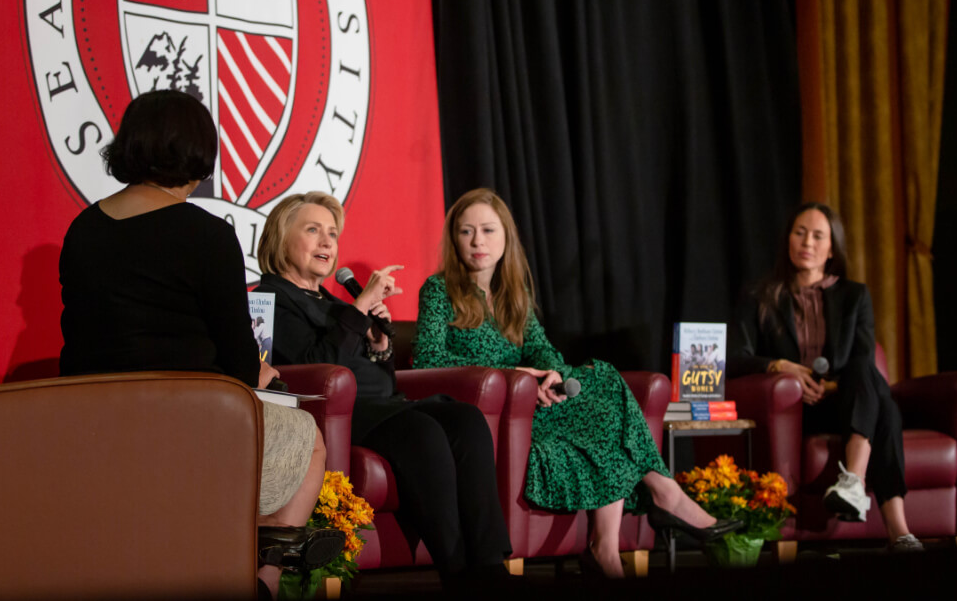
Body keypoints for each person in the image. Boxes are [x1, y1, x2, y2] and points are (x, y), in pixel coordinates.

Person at [58, 90, 341, 598]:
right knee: (306, 434)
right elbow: (235, 359)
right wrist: (262, 374)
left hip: (89, 423)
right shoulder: (206, 234)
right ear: (196, 152)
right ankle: (265, 573)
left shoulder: (83, 229)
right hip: (188, 424)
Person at [414, 187, 739, 579]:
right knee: (606, 413)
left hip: (536, 406)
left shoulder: (513, 294)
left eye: (487, 230)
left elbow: (543, 350)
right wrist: (512, 377)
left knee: (601, 380)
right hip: (488, 419)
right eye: (466, 232)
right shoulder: (439, 290)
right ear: (454, 239)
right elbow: (428, 361)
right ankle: (659, 499)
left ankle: (608, 546)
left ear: (505, 238)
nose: (477, 241)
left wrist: (551, 374)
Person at [255, 191, 513, 589]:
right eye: (313, 230)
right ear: (279, 237)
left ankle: (490, 565)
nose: (327, 242)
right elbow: (317, 363)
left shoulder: (331, 301)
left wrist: (380, 347)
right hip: (334, 413)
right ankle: (458, 573)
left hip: (381, 405)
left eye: (332, 234)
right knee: (422, 432)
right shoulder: (271, 298)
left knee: (466, 418)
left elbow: (378, 376)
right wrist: (358, 311)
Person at [729, 201, 923, 552]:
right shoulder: (761, 295)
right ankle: (896, 527)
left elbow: (862, 356)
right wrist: (780, 367)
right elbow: (735, 357)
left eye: (819, 236)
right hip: (792, 408)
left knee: (868, 375)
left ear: (832, 248)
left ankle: (857, 486)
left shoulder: (854, 295)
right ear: (788, 239)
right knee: (886, 408)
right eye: (800, 233)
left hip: (842, 401)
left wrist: (833, 385)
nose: (808, 243)